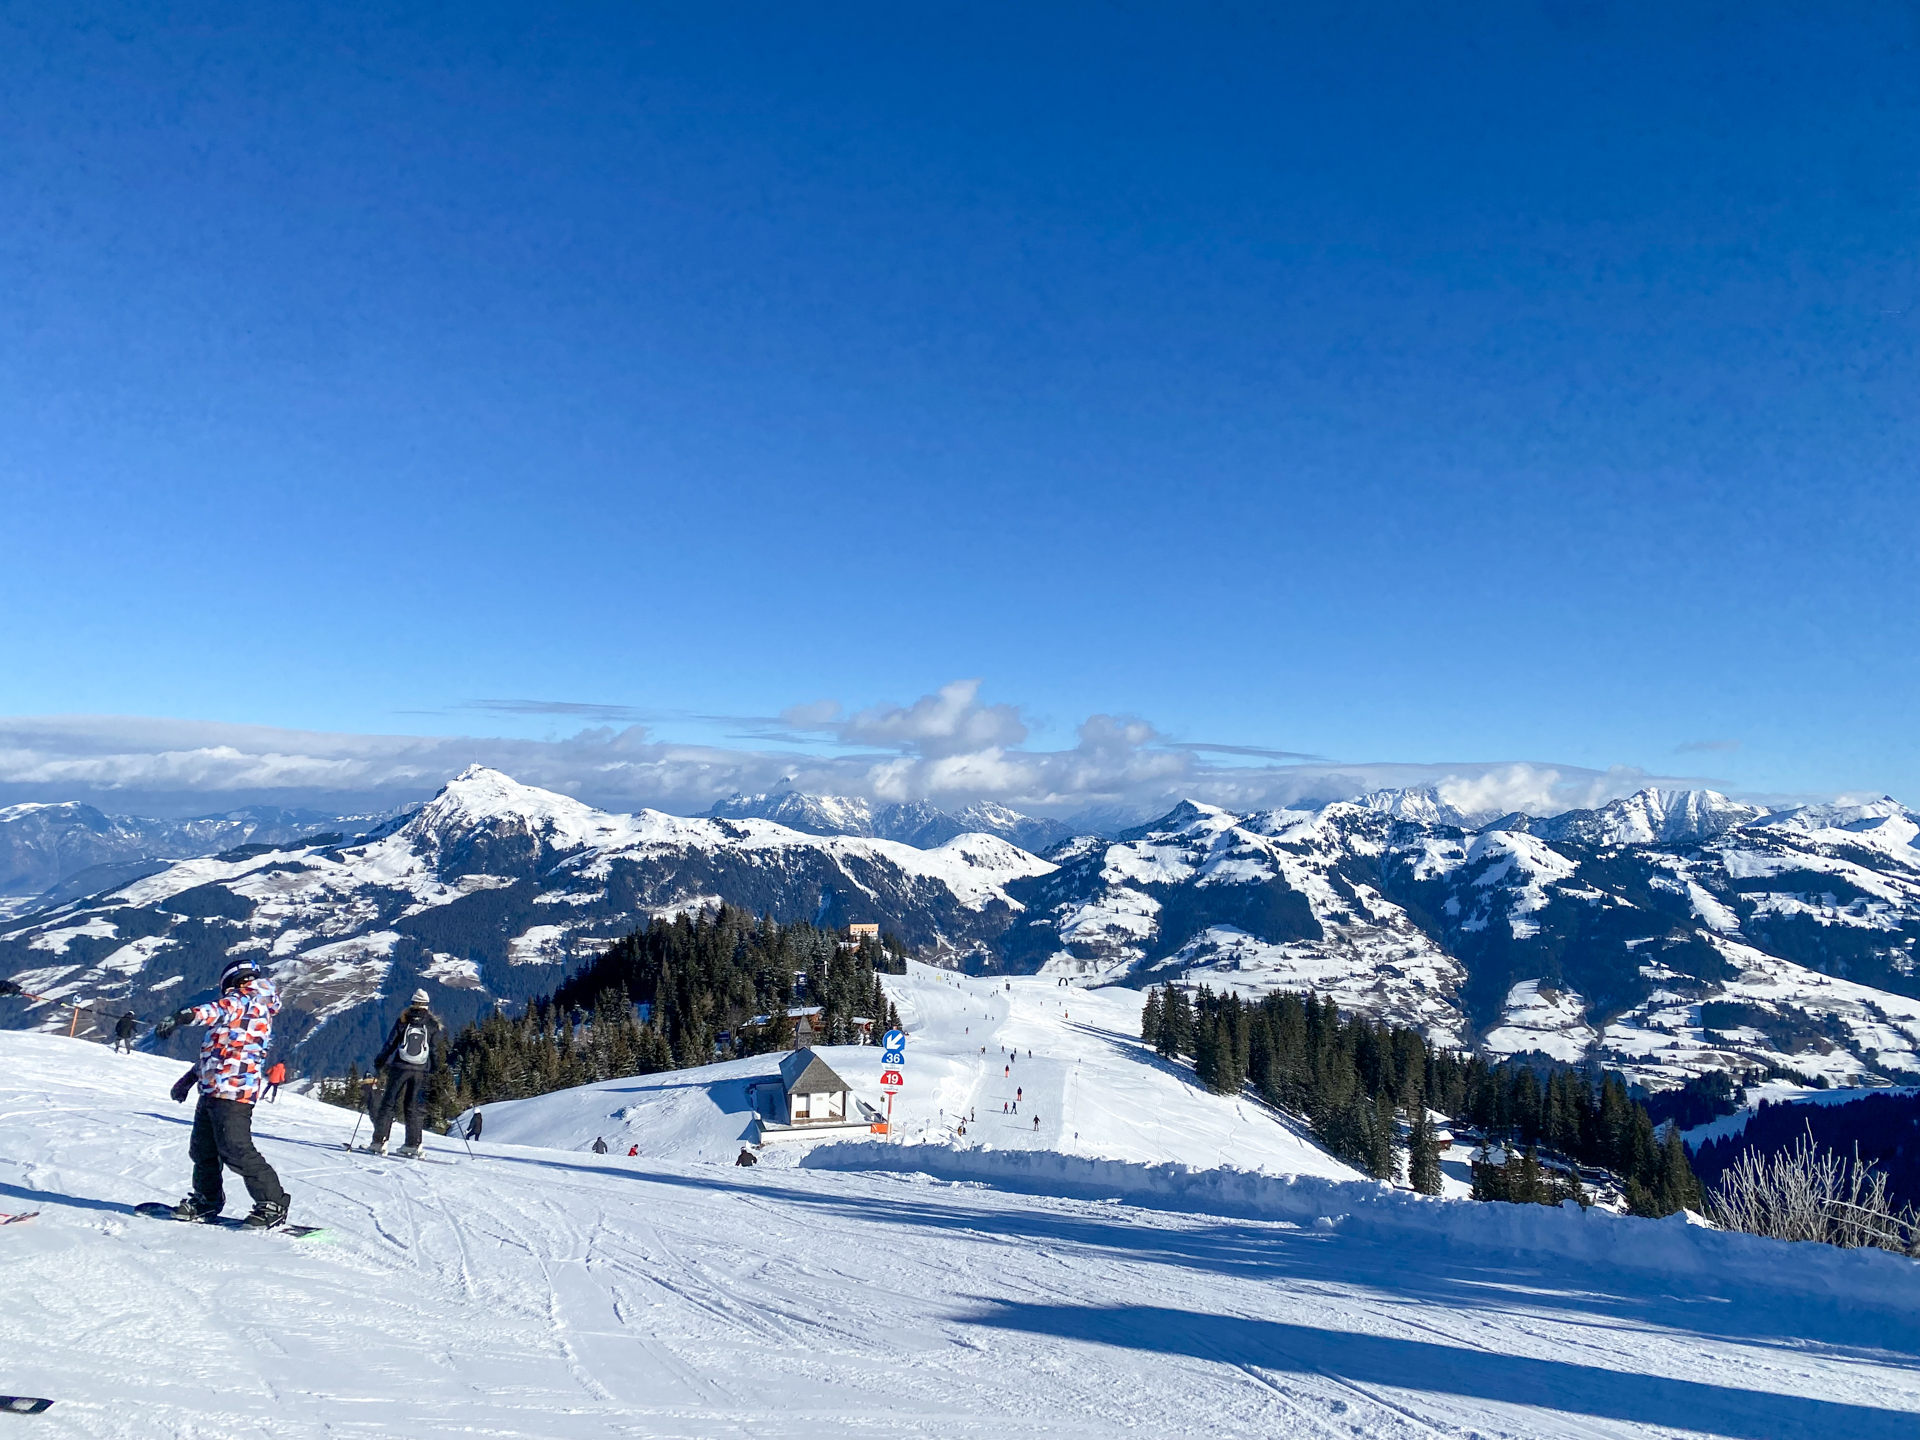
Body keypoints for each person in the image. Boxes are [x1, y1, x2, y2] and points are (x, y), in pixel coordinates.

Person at [153, 957, 291, 1229]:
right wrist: (190, 1078)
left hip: (234, 1092)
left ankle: (272, 1202)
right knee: (203, 1149)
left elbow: (213, 1010)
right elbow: (219, 1053)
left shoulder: (249, 999)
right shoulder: (245, 1008)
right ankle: (206, 1200)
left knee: (235, 1148)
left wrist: (181, 1017)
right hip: (213, 1090)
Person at [369, 989, 443, 1158]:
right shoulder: (431, 1024)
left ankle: (379, 1142)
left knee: (388, 1103)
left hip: (400, 1067)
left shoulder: (403, 1020)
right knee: (412, 1107)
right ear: (426, 1005)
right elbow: (435, 1050)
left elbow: (391, 1043)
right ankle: (413, 1144)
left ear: (412, 1003)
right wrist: (436, 1068)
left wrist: (380, 1061)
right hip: (420, 1070)